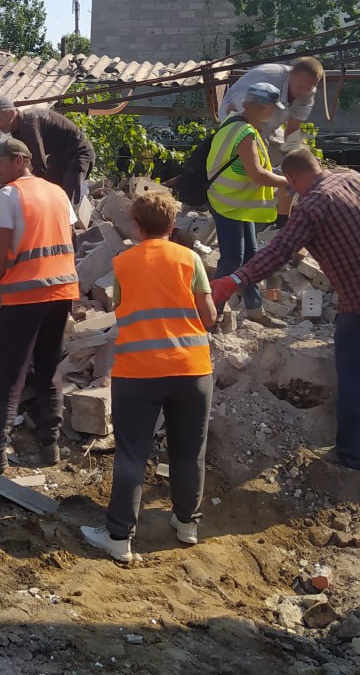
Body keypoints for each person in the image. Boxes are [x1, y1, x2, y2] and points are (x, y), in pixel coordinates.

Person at [210, 149, 360, 471]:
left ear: (290, 180)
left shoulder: (313, 206)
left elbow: (280, 249)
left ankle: (350, 457)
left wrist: (235, 279)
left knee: (353, 378)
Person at [81, 190, 217, 562]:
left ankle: (119, 537)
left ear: (137, 227)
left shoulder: (124, 262)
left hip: (139, 373)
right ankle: (187, 523)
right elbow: (209, 318)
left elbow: (122, 310)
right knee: (190, 451)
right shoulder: (190, 259)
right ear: (173, 225)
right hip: (191, 370)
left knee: (132, 453)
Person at [0, 138, 78, 472]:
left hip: (26, 291)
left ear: (19, 160)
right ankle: (49, 444)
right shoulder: (56, 191)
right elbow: (69, 237)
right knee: (49, 363)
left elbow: (2, 250)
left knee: (11, 370)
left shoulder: (9, 196)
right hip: (62, 288)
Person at [206, 82, 291, 328]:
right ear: (262, 107)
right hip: (228, 203)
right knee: (233, 259)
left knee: (251, 259)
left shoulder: (234, 125)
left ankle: (255, 310)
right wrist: (288, 181)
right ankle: (212, 314)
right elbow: (257, 174)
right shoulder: (246, 133)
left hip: (235, 202)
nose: (272, 114)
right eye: (271, 109)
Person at [218, 57, 324, 225]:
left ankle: (283, 220)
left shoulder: (307, 93)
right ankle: (259, 208)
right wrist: (285, 181)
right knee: (255, 167)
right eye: (300, 86)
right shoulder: (265, 78)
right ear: (291, 75)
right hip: (238, 118)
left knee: (292, 165)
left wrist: (301, 157)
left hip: (270, 125)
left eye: (308, 87)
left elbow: (292, 131)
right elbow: (243, 113)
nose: (303, 91)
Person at [0, 95, 96, 209]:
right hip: (59, 156)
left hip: (79, 153)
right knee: (51, 192)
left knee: (66, 202)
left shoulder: (28, 125)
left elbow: (39, 166)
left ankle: (68, 224)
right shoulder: (16, 130)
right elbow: (24, 163)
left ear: (10, 114)